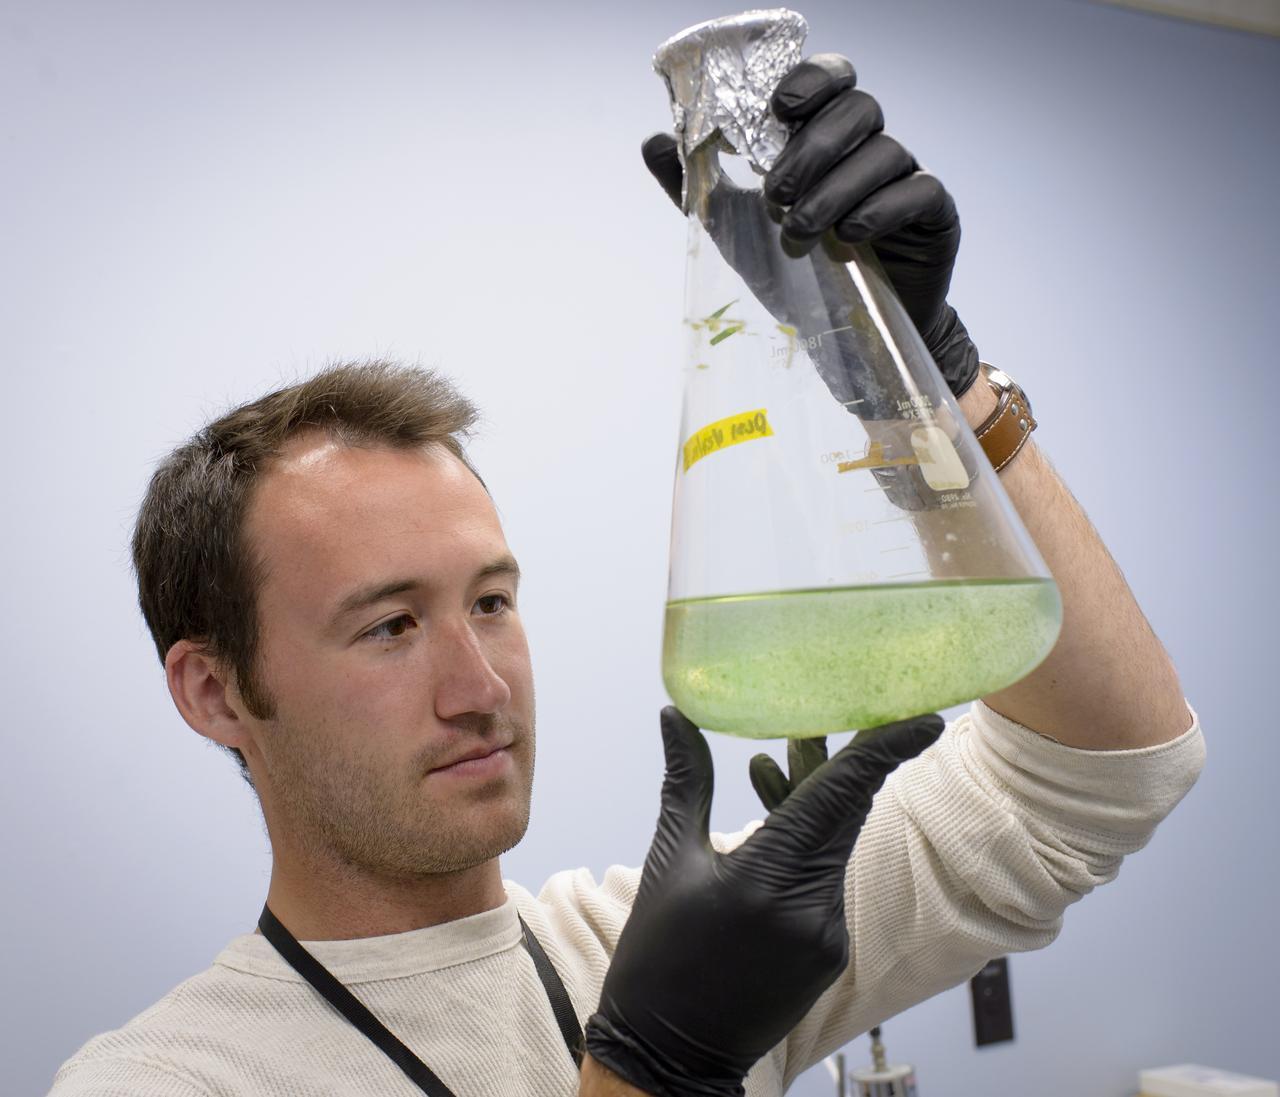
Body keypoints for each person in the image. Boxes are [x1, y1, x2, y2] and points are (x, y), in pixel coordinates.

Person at [47, 55, 1202, 1097]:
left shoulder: (649, 946)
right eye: (390, 625)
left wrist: (922, 380)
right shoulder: (165, 1077)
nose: (479, 685)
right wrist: (656, 1061)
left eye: (491, 601)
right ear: (212, 690)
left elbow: (1107, 767)